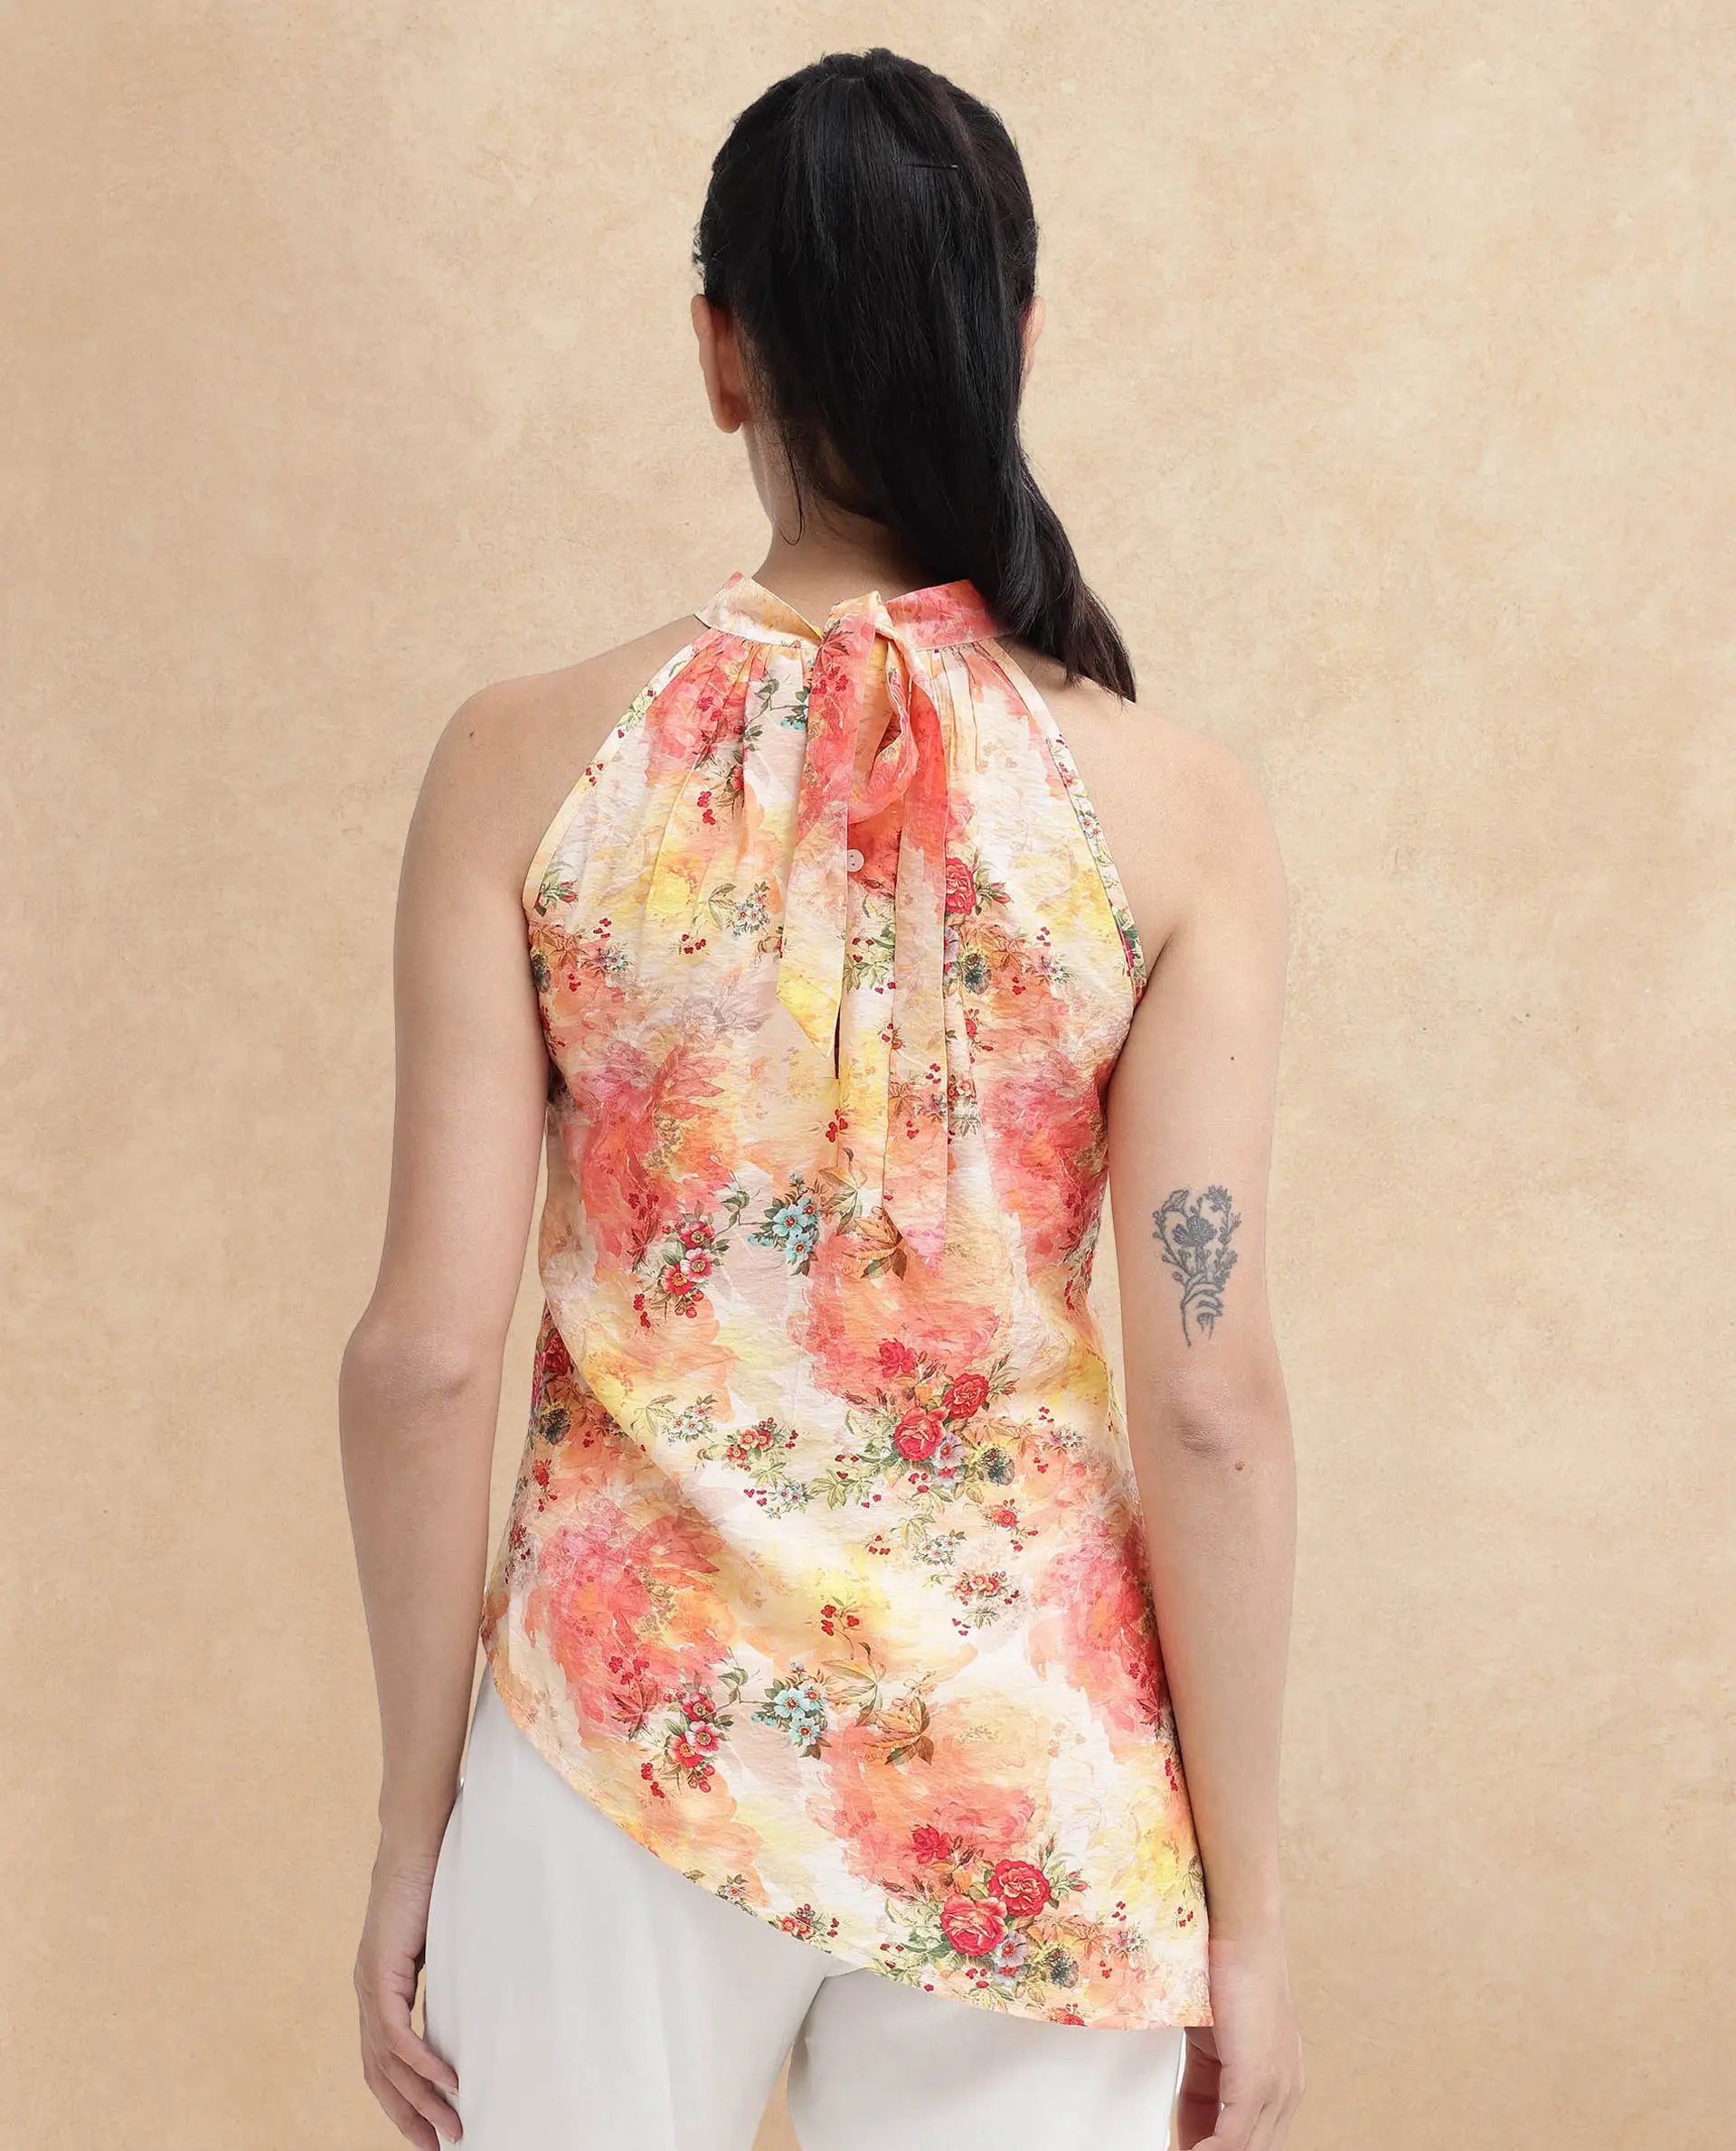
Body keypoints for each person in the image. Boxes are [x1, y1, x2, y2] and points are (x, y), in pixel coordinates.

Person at [340, 46, 1302, 2151]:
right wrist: (1249, 1908)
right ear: (1015, 339)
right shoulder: (1178, 813)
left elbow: (424, 1356)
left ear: (722, 353)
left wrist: (422, 1819)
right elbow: (1212, 1394)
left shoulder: (517, 765)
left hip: (615, 1742)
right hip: (1026, 1781)